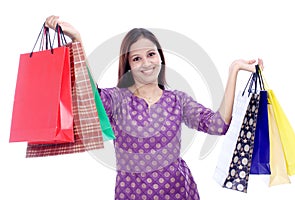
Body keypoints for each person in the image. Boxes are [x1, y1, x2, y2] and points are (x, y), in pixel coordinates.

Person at [45, 15, 264, 200]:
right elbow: (88, 99)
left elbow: (218, 126)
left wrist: (234, 70)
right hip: (131, 194)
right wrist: (77, 40)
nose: (147, 63)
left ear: (160, 56)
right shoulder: (116, 100)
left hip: (180, 192)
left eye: (151, 54)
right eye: (137, 58)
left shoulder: (178, 100)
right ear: (128, 65)